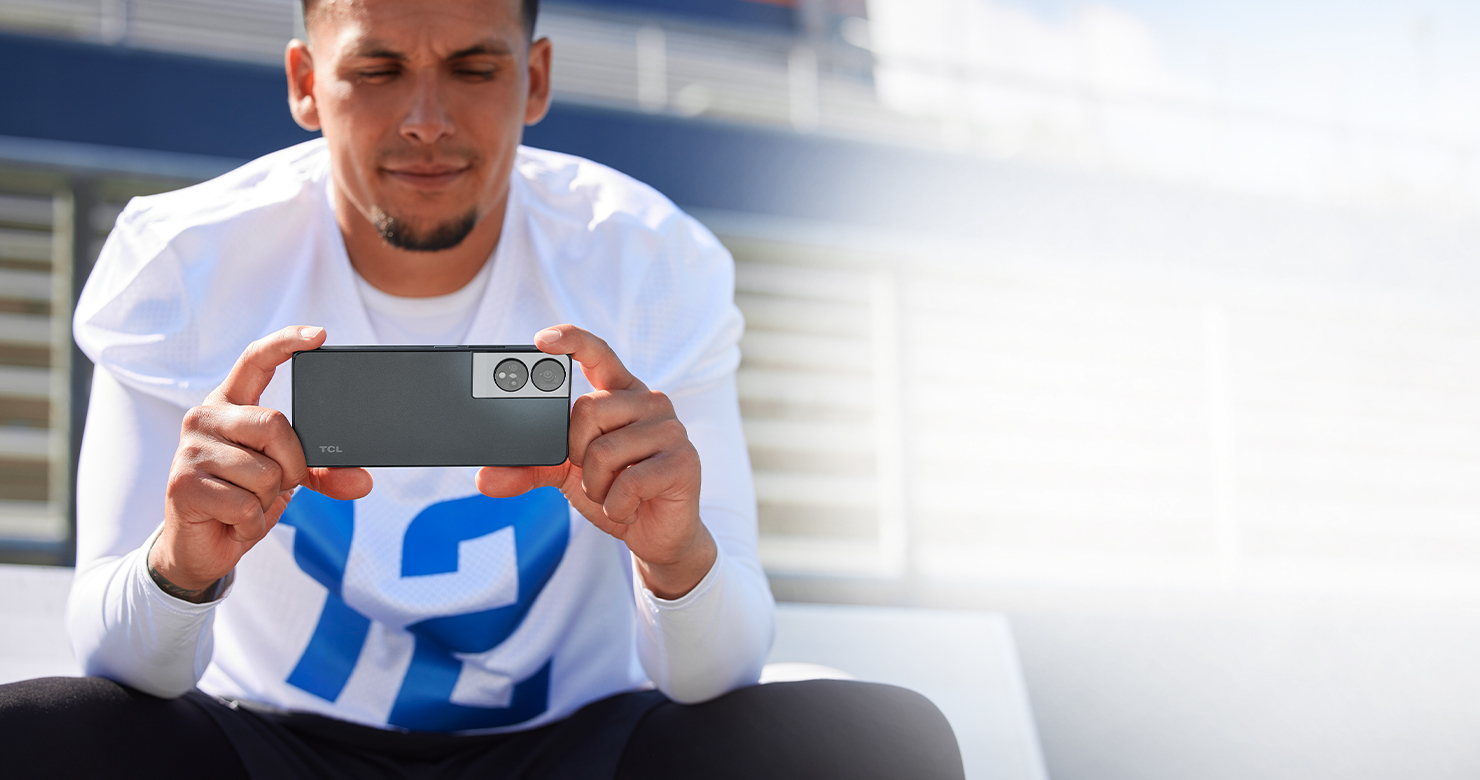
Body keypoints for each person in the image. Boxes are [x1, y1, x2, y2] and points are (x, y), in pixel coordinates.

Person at [0, 0, 964, 777]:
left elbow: (715, 673)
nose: (427, 119)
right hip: (274, 741)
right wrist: (179, 567)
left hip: (576, 746)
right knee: (41, 738)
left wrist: (679, 559)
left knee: (879, 742)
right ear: (305, 83)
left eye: (474, 67)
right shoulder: (183, 262)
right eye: (377, 70)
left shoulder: (646, 261)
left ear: (534, 77)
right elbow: (117, 662)